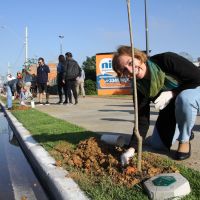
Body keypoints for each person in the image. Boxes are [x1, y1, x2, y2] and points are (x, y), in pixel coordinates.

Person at [112, 45, 200, 161]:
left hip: (195, 92)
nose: (130, 70)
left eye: (130, 63)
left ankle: (184, 139)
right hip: (171, 111)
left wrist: (173, 93)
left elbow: (197, 78)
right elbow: (142, 118)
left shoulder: (167, 60)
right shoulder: (139, 88)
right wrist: (132, 148)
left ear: (139, 57)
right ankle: (184, 128)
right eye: (124, 70)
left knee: (184, 98)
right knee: (158, 145)